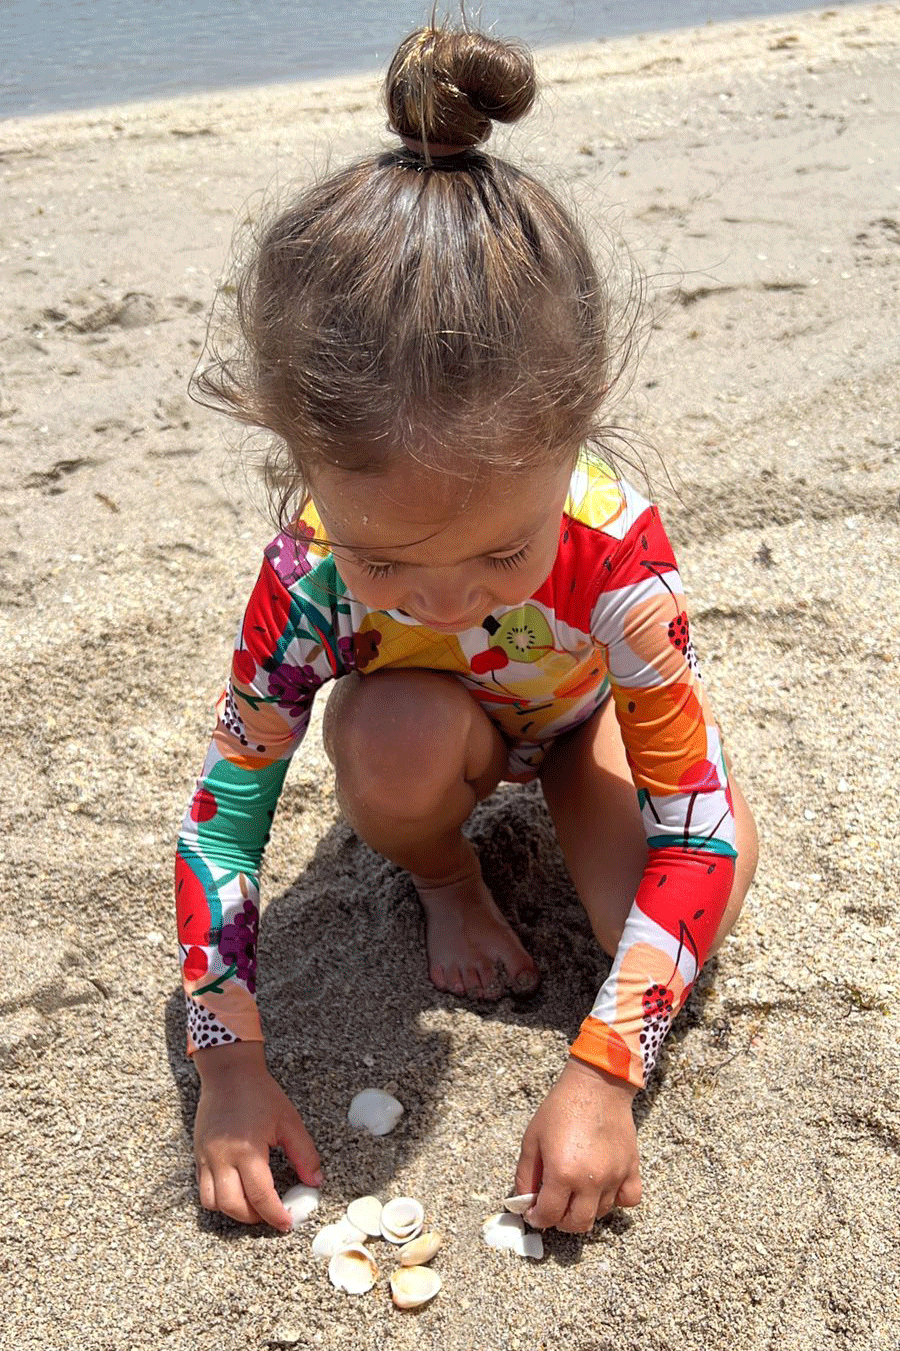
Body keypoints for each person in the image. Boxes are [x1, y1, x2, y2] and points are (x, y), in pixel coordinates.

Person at [176, 23, 758, 1239]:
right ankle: (448, 878)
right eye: (387, 560)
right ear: (305, 471)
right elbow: (223, 818)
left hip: (582, 720)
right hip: (432, 732)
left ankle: (584, 814)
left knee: (678, 892)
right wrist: (227, 1065)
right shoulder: (307, 576)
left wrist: (604, 1073)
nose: (446, 602)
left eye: (501, 552)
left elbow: (697, 837)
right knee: (387, 738)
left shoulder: (618, 558)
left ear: (576, 436)